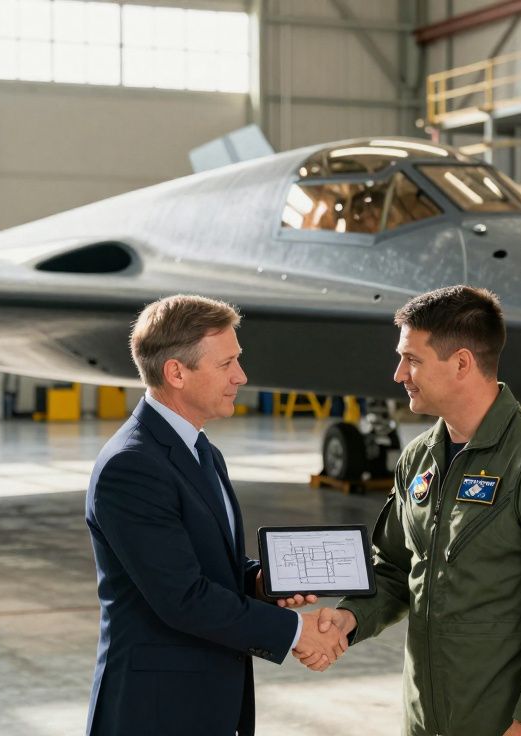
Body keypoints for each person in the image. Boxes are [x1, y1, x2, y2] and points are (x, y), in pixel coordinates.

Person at [305, 286, 521, 736]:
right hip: (427, 721)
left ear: (462, 363)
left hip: (506, 725)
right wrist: (349, 619)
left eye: (412, 359)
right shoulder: (418, 459)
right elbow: (393, 567)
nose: (398, 374)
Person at [84, 294, 346, 736]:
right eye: (227, 364)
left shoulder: (201, 450)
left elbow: (208, 565)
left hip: (209, 699)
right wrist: (296, 632)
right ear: (176, 372)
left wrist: (262, 583)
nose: (241, 376)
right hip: (155, 712)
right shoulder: (131, 466)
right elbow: (183, 598)